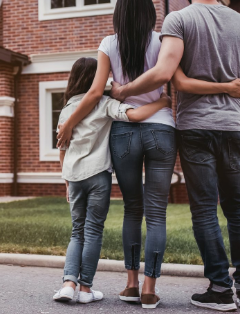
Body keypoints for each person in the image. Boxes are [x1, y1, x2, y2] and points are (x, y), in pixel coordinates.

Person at [56, 0, 240, 310]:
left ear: (118, 13)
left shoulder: (108, 44)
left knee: (132, 209)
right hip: (161, 129)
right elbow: (177, 79)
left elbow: (94, 93)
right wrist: (166, 99)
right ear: (151, 14)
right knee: (156, 213)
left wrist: (71, 122)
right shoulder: (163, 41)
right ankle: (148, 289)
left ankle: (129, 284)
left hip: (124, 133)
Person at [109, 0, 240, 311]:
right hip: (232, 127)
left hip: (195, 128)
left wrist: (124, 90)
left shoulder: (179, 20)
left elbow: (165, 73)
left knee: (205, 211)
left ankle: (219, 289)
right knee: (238, 208)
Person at [53, 56, 173, 305]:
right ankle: (86, 289)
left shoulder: (66, 110)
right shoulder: (105, 104)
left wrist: (66, 182)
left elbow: (62, 149)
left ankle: (67, 284)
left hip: (74, 178)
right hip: (98, 177)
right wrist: (162, 101)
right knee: (93, 230)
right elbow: (137, 115)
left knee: (77, 232)